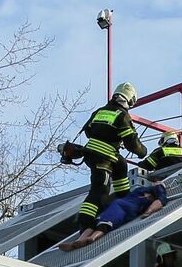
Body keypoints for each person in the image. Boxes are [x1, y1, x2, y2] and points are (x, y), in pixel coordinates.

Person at [62, 82, 147, 225]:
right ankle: (85, 222)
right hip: (103, 159)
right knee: (99, 190)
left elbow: (88, 131)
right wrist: (142, 151)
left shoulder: (99, 111)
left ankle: (125, 199)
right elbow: (131, 142)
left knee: (121, 165)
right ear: (130, 99)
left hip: (92, 153)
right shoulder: (123, 116)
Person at [58, 181, 167, 251]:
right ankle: (79, 240)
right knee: (97, 221)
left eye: (156, 182)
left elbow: (161, 200)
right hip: (121, 205)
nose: (154, 182)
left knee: (106, 221)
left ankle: (91, 237)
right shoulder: (145, 191)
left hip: (124, 206)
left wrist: (149, 210)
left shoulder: (155, 190)